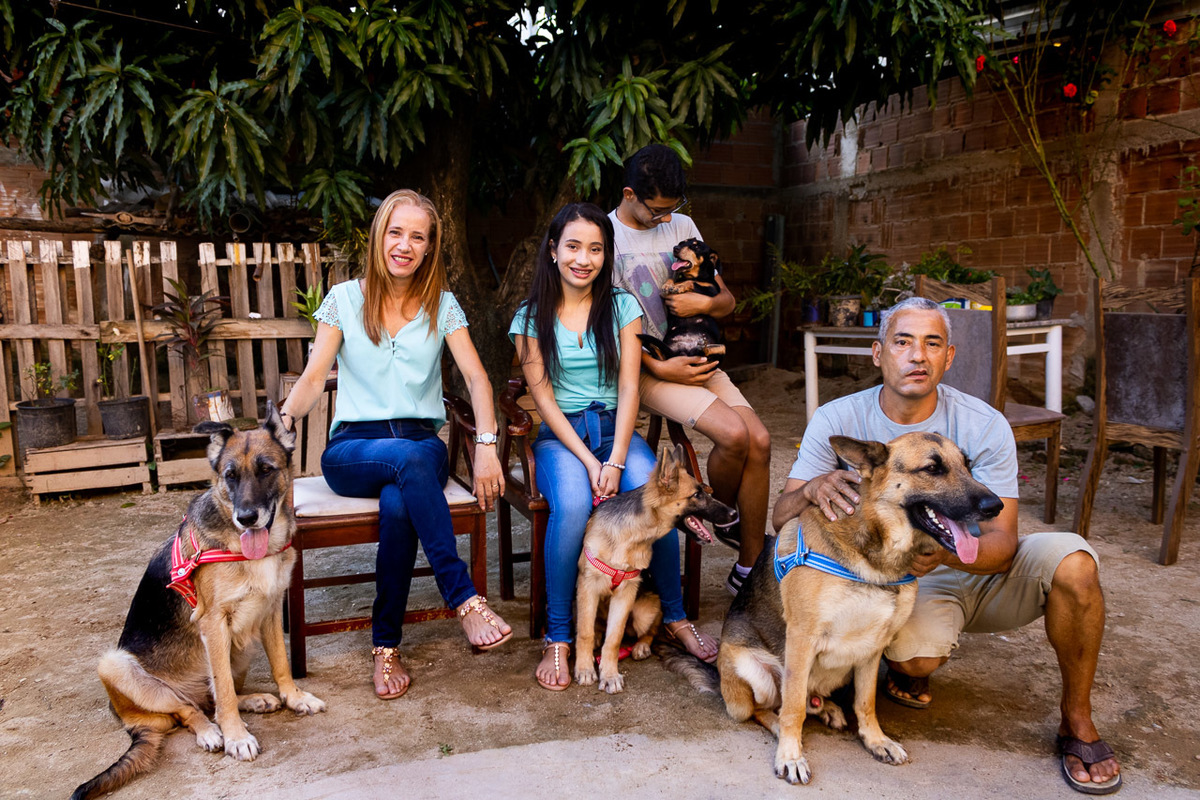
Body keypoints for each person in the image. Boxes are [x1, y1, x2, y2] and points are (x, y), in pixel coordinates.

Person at [772, 297, 1121, 795]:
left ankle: (1078, 720)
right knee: (912, 656)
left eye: (932, 343)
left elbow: (1001, 542)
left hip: (970, 561)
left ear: (948, 357)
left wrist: (948, 552)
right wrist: (810, 489)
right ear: (878, 353)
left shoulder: (984, 423)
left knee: (1076, 563)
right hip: (901, 575)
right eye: (903, 342)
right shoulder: (837, 418)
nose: (918, 355)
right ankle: (905, 675)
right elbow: (780, 518)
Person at [279, 189, 512, 701]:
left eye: (418, 237)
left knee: (400, 503)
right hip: (353, 452)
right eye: (396, 232)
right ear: (379, 236)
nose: (405, 245)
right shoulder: (343, 299)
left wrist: (487, 445)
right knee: (405, 466)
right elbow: (314, 378)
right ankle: (464, 598)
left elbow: (477, 378)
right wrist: (281, 422)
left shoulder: (442, 305)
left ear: (429, 248)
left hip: (419, 444)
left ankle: (385, 647)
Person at [510, 202, 719, 692]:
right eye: (573, 246)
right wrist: (589, 462)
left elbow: (629, 388)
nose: (583, 259)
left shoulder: (622, 306)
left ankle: (674, 616)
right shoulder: (529, 317)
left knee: (658, 495)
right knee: (573, 504)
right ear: (553, 251)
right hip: (562, 437)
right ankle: (559, 635)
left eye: (596, 249)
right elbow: (543, 399)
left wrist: (618, 458)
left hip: (615, 428)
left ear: (607, 255)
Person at [609, 144, 771, 596]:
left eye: (672, 209)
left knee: (760, 440)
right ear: (629, 194)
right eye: (657, 211)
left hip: (696, 358)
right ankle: (722, 512)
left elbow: (726, 300)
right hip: (645, 369)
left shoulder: (682, 226)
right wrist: (664, 369)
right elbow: (608, 330)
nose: (666, 219)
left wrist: (702, 303)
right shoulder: (606, 236)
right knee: (734, 435)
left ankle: (748, 566)